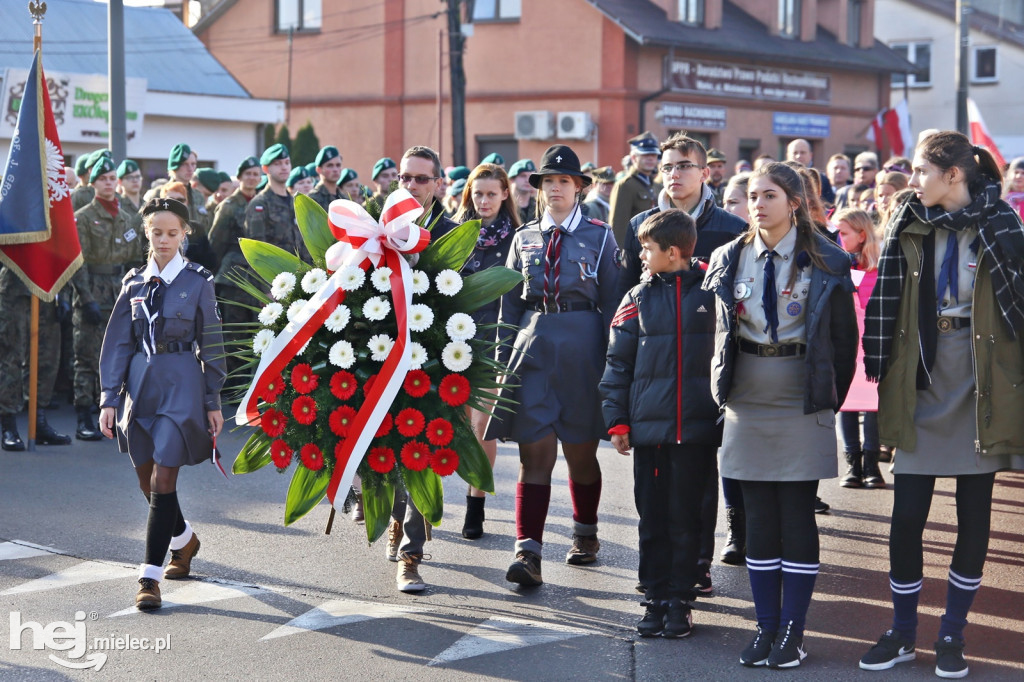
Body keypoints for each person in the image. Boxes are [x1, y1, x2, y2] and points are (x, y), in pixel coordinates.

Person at [859, 131, 1024, 678]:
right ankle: (903, 631)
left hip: (982, 381)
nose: (913, 182)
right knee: (906, 517)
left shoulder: (1001, 222)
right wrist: (878, 376)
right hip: (920, 379)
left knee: (974, 517)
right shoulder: (907, 220)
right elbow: (884, 301)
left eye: (923, 172)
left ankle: (952, 632)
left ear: (954, 175)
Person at [704, 161, 857, 669]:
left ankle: (794, 630)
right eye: (752, 195)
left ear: (794, 202)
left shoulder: (828, 259)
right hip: (747, 398)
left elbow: (842, 341)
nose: (757, 203)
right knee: (756, 520)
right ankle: (765, 626)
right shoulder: (729, 256)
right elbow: (720, 334)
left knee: (796, 516)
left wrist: (827, 398)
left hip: (800, 396)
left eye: (768, 194)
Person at [487, 144, 620, 587]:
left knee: (580, 451)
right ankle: (529, 552)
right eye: (548, 182)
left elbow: (615, 305)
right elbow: (509, 304)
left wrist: (613, 368)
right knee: (534, 450)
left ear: (579, 188)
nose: (556, 188)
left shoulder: (601, 237)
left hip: (583, 350)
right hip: (535, 349)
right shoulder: (523, 238)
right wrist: (503, 363)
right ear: (538, 188)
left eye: (564, 181)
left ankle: (586, 533)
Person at [98, 197, 226, 610]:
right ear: (147, 233)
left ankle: (149, 578)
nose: (164, 240)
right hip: (141, 387)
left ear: (185, 233)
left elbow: (212, 345)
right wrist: (109, 397)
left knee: (162, 480)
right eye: (157, 232)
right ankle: (185, 540)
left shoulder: (198, 281)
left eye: (173, 233)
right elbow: (118, 343)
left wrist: (212, 400)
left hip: (181, 385)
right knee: (145, 478)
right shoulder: (133, 282)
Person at [601, 209, 720, 639]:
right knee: (652, 517)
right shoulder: (636, 298)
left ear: (673, 252)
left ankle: (681, 601)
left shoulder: (712, 293)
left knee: (687, 517)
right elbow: (617, 362)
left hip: (698, 430)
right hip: (649, 432)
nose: (640, 255)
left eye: (647, 248)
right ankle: (653, 596)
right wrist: (616, 419)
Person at [388, 144, 458, 593]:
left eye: (420, 179)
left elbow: (464, 299)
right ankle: (395, 522)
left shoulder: (453, 233)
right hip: (383, 356)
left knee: (421, 453)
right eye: (404, 178)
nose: (411, 186)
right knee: (392, 453)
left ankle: (410, 552)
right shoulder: (377, 229)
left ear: (437, 185)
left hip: (435, 361)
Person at [452, 163, 521, 539]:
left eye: (491, 193)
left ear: (505, 194)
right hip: (452, 341)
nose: (484, 200)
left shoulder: (519, 238)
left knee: (483, 425)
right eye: (478, 193)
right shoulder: (453, 232)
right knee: (458, 424)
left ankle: (475, 504)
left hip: (494, 341)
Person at [618, 132, 747, 303]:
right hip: (652, 327)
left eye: (684, 166)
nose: (674, 174)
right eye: (667, 167)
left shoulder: (734, 228)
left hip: (712, 328)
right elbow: (624, 292)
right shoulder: (639, 225)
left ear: (704, 173)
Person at [70, 156, 147, 441]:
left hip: (121, 293)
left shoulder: (127, 218)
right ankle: (83, 416)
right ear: (93, 183)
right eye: (103, 179)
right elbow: (79, 263)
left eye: (112, 178)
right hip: (93, 292)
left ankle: (116, 416)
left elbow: (135, 261)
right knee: (87, 358)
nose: (109, 183)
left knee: (121, 356)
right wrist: (86, 298)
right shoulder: (85, 217)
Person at [834, 208, 884, 489]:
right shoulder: (838, 265)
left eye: (844, 234)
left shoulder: (880, 268)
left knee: (874, 406)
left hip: (873, 344)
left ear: (862, 235)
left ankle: (872, 464)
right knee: (847, 404)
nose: (839, 239)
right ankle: (853, 463)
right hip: (847, 343)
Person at [0, 269, 71, 450]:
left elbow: (60, 249)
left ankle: (38, 421)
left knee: (47, 356)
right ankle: (9, 427)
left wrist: (62, 294)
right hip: (14, 285)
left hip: (47, 282)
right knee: (11, 356)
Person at [209, 156, 262, 395]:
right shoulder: (230, 205)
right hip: (234, 278)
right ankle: (233, 386)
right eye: (248, 174)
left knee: (256, 332)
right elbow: (216, 242)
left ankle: (251, 387)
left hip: (259, 278)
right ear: (239, 177)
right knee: (235, 333)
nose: (252, 178)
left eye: (256, 173)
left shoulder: (262, 202)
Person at [244, 144, 310, 263]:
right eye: (277, 164)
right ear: (265, 169)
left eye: (287, 162)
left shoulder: (296, 203)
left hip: (298, 274)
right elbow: (258, 251)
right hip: (273, 276)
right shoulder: (260, 204)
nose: (284, 167)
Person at [609, 132, 662, 246]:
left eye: (653, 155)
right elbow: (618, 225)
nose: (650, 159)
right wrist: (619, 256)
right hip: (634, 249)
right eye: (645, 155)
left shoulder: (655, 185)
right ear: (633, 158)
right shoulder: (625, 185)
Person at [786, 139, 834, 204]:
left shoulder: (821, 179)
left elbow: (828, 204)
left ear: (811, 155)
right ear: (787, 156)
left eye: (802, 152)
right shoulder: (781, 177)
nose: (799, 156)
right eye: (795, 153)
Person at [309, 146, 345, 211]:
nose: (335, 169)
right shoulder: (312, 199)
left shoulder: (345, 199)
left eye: (338, 165)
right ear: (319, 170)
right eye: (330, 166)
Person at [508, 158, 537, 224]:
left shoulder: (539, 206)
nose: (527, 180)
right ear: (512, 179)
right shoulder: (505, 206)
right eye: (523, 176)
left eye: (530, 176)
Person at [1001, 156, 1024, 220]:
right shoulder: (1000, 198)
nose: (1019, 176)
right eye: (1016, 172)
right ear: (1009, 175)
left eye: (1023, 173)